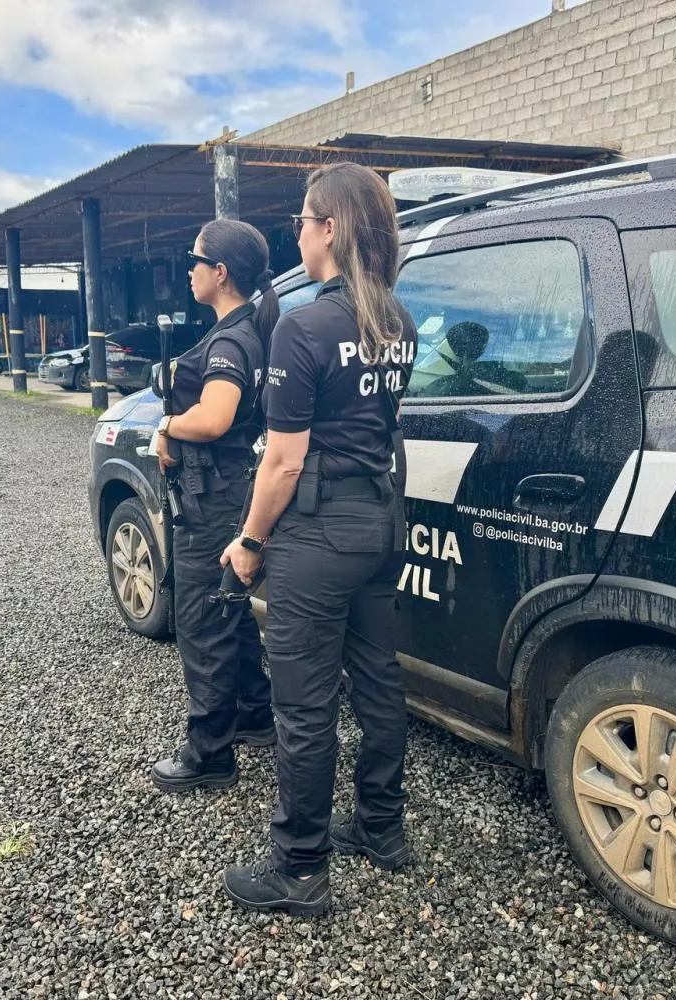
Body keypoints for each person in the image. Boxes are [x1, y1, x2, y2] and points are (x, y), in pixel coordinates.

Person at [218, 162, 418, 915]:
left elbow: (283, 459)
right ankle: (381, 828)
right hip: (378, 525)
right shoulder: (397, 320)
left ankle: (299, 867)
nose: (296, 234)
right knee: (378, 681)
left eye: (302, 221)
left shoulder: (305, 326)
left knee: (303, 708)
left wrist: (247, 542)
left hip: (317, 534)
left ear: (328, 229)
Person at [150, 219, 279, 793]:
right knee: (228, 608)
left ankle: (210, 754)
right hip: (229, 489)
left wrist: (166, 425)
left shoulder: (229, 339)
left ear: (220, 272)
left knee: (202, 624)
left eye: (194, 258)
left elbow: (216, 417)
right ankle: (254, 712)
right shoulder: (250, 327)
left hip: (212, 498)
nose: (188, 268)